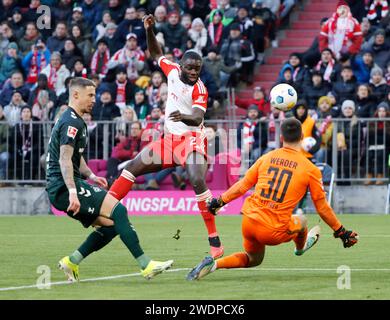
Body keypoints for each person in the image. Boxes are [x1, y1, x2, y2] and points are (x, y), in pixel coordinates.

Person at [108, 15, 224, 259]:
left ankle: (214, 240)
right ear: (181, 66)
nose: (194, 72)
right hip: (170, 140)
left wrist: (180, 116)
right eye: (190, 68)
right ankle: (104, 208)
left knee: (195, 178)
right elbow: (155, 53)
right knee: (131, 168)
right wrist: (149, 30)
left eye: (197, 69)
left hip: (192, 139)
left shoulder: (200, 89)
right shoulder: (171, 70)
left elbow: (196, 118)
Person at [186, 118, 358, 281]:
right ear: (302, 137)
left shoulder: (266, 158)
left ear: (281, 137)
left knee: (253, 259)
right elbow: (322, 208)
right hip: (272, 230)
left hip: (249, 222)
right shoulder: (311, 169)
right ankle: (300, 249)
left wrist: (219, 201)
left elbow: (243, 184)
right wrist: (341, 232)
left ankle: (214, 264)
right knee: (303, 220)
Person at [46, 77, 173, 282]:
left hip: (62, 187)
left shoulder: (75, 119)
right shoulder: (71, 122)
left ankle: (72, 261)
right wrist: (72, 191)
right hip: (63, 187)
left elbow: (76, 156)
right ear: (75, 95)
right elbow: (64, 159)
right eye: (90, 95)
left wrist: (91, 175)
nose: (94, 100)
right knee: (119, 210)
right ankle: (145, 264)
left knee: (112, 224)